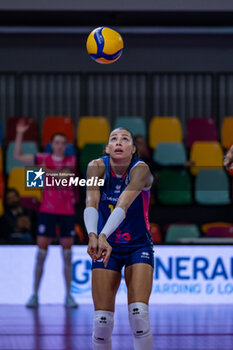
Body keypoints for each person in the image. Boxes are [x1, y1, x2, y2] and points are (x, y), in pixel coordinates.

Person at [84, 127, 154, 350]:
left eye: (125, 139)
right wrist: (92, 235)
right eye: (113, 138)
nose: (119, 142)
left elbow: (123, 204)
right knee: (101, 322)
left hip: (138, 245)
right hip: (107, 247)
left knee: (139, 316)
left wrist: (102, 234)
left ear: (133, 149)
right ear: (107, 147)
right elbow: (91, 203)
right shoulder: (96, 167)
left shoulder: (141, 170)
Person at [14, 119, 78, 308]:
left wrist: (43, 171)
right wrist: (19, 133)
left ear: (66, 146)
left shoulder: (70, 160)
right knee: (41, 254)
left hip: (66, 212)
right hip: (47, 211)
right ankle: (34, 295)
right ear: (51, 145)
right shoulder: (42, 158)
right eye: (56, 143)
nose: (59, 146)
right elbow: (17, 156)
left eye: (62, 143)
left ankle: (68, 296)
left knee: (67, 256)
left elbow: (65, 176)